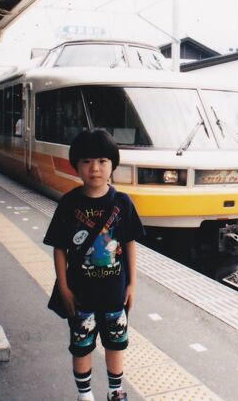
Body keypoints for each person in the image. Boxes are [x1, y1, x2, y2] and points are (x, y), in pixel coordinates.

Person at [44, 130, 144, 401]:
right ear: (76, 166)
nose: (95, 168)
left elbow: (129, 243)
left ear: (113, 165)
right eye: (86, 161)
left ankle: (115, 390)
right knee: (81, 346)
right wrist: (64, 287)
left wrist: (132, 284)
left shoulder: (122, 203)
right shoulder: (69, 203)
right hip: (80, 294)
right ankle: (85, 395)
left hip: (115, 293)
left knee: (116, 343)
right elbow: (59, 248)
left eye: (102, 161)